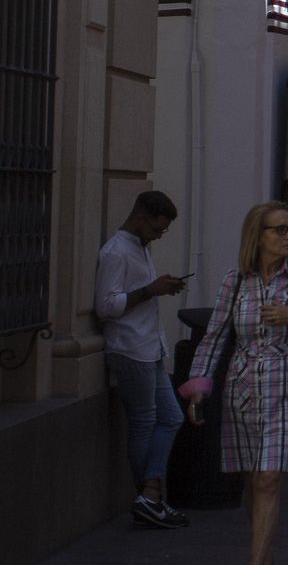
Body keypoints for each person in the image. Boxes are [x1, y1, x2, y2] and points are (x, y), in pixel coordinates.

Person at [180, 202, 288, 565]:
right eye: (280, 229)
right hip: (242, 390)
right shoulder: (235, 282)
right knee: (252, 481)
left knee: (268, 479)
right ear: (258, 237)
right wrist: (198, 387)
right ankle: (265, 551)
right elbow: (214, 338)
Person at [94, 190, 189, 529]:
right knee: (145, 421)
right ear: (141, 217)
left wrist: (160, 287)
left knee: (172, 417)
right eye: (157, 229)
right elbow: (105, 307)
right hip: (130, 347)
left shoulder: (140, 248)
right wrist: (151, 290)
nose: (159, 236)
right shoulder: (116, 252)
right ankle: (149, 496)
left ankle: (150, 493)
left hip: (150, 346)